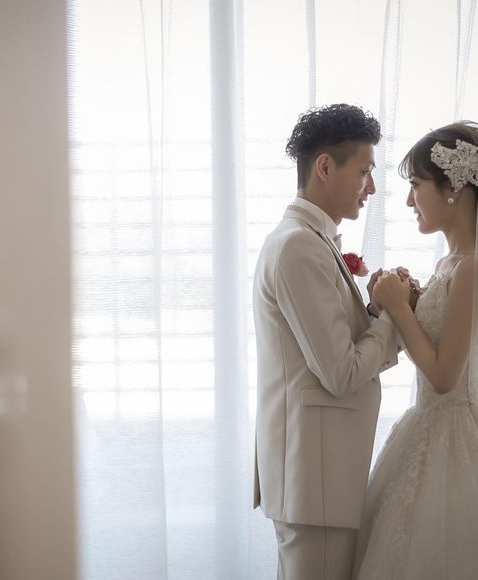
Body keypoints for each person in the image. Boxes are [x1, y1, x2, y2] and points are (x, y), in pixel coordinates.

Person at [253, 103, 405, 580]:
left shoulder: (306, 240)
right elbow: (340, 373)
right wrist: (394, 315)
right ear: (324, 167)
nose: (371, 187)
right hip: (314, 480)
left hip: (317, 478)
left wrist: (375, 312)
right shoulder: (298, 245)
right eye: (364, 171)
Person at [352, 121, 478, 580]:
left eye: (416, 185)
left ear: (454, 189)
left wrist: (400, 309)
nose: (409, 201)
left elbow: (444, 378)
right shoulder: (449, 264)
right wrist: (409, 304)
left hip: (453, 437)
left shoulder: (471, 267)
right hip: (426, 428)